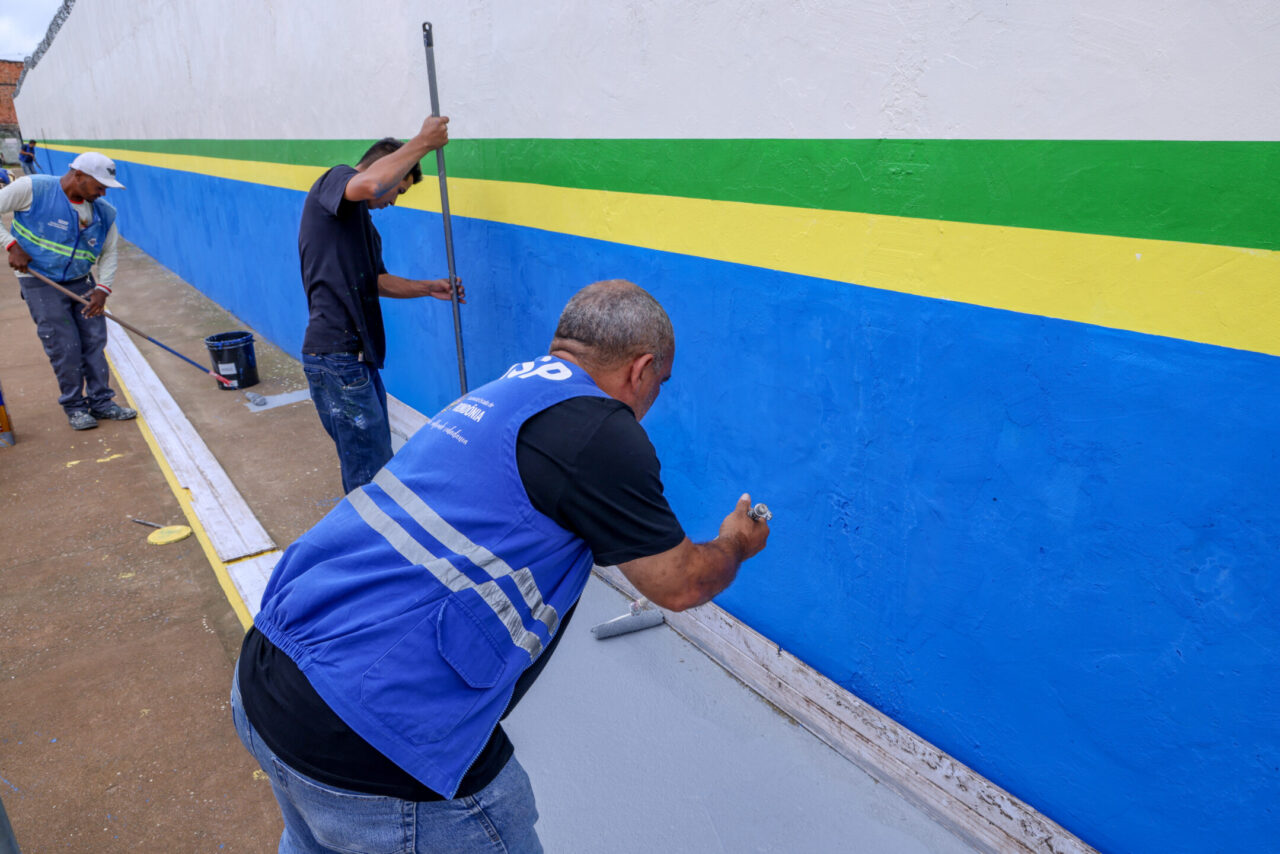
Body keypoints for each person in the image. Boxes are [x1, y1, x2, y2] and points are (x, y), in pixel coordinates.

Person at [231, 280, 771, 853]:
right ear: (641, 370)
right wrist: (735, 542)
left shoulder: (507, 390)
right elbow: (682, 582)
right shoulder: (600, 430)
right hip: (373, 741)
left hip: (269, 675)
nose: (652, 398)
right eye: (659, 384)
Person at [299, 116, 462, 493]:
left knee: (373, 462)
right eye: (397, 189)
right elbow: (371, 182)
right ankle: (367, 548)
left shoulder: (362, 228)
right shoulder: (333, 182)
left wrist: (427, 287)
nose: (391, 199)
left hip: (357, 359)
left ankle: (370, 541)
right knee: (368, 478)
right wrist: (423, 141)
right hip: (336, 356)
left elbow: (375, 282)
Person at [1, 152, 137, 430]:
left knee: (93, 344)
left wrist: (102, 289)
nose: (102, 193)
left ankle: (102, 402)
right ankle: (75, 407)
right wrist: (10, 245)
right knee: (64, 347)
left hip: (81, 282)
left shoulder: (104, 213)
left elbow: (109, 254)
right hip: (41, 283)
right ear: (78, 175)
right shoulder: (32, 188)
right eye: (98, 186)